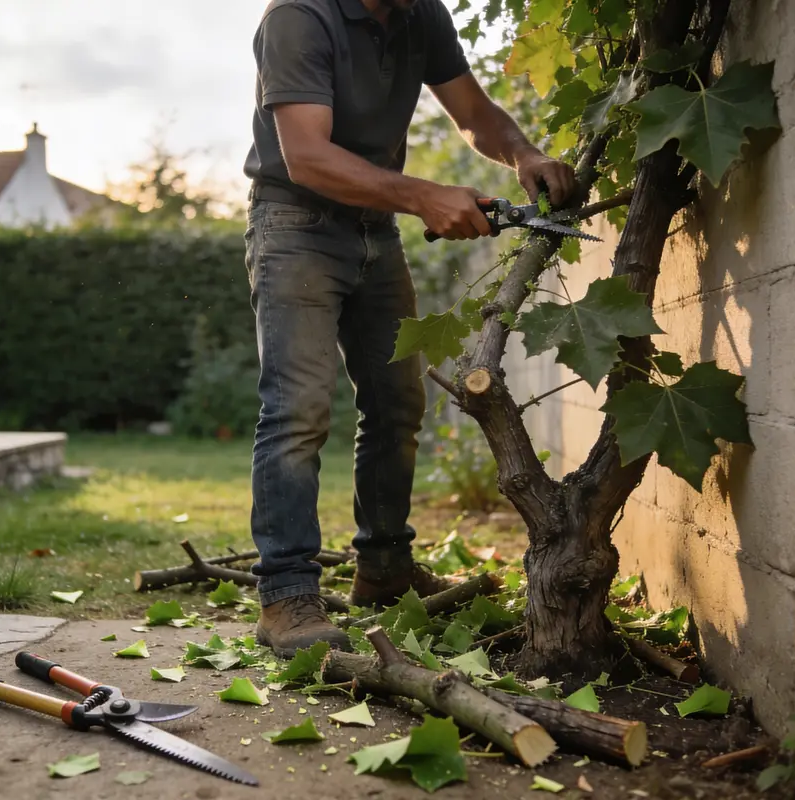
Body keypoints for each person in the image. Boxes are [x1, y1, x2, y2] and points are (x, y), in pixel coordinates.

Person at [241, 0, 577, 657]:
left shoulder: (420, 15)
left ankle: (386, 569)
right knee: (298, 411)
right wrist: (424, 195)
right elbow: (306, 156)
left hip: (374, 229)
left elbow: (475, 116)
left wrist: (524, 154)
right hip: (295, 225)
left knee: (398, 401)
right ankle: (285, 597)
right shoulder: (299, 17)